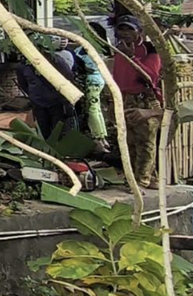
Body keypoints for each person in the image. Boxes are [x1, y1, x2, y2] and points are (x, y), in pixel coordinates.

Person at [111, 15, 163, 188]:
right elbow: (118, 76)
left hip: (144, 99)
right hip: (125, 99)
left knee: (145, 142)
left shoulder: (150, 49)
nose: (125, 33)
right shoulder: (118, 49)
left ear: (139, 31)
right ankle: (140, 178)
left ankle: (142, 181)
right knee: (129, 141)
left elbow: (151, 77)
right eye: (122, 29)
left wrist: (133, 58)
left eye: (130, 29)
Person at [16, 42, 78, 139]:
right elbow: (23, 84)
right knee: (43, 132)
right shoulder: (24, 66)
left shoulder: (56, 61)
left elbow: (69, 78)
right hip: (38, 104)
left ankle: (60, 152)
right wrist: (34, 96)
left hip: (57, 103)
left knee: (60, 132)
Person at [71, 23, 111, 155]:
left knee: (92, 109)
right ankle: (102, 136)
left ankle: (97, 136)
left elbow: (89, 66)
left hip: (91, 80)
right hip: (98, 79)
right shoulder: (100, 46)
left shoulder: (88, 49)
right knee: (97, 108)